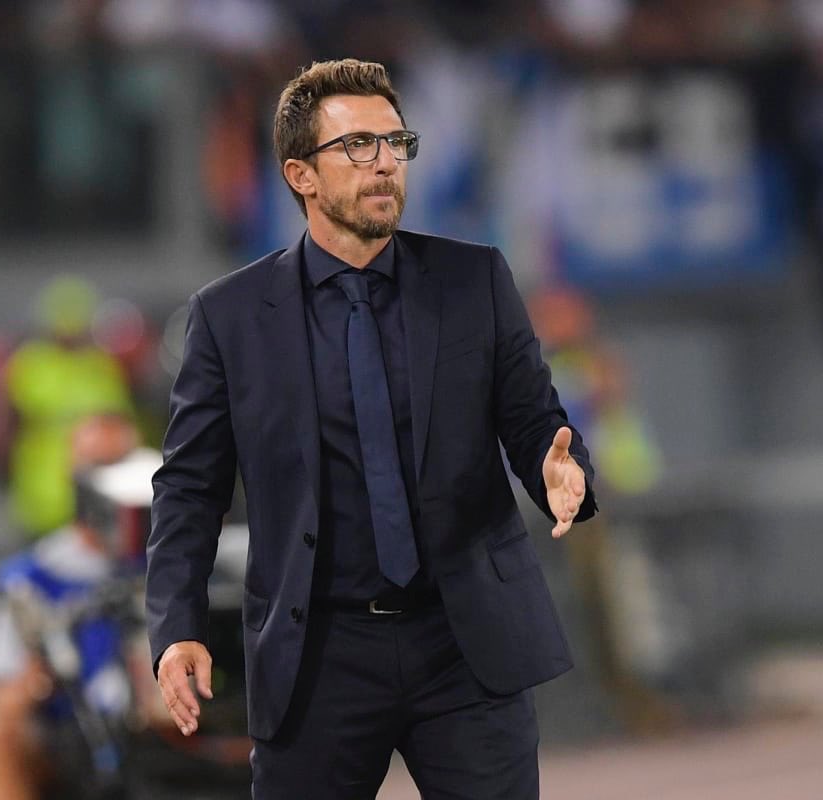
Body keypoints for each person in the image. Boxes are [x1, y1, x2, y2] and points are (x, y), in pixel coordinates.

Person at [147, 58, 597, 799]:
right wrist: (177, 627)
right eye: (357, 146)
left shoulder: (474, 281)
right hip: (317, 652)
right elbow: (189, 490)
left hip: (463, 643)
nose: (385, 163)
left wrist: (560, 471)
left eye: (396, 143)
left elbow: (533, 422)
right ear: (301, 175)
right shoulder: (230, 317)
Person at [0, 414, 140, 800]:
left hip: (160, 721)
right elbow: (4, 694)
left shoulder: (169, 565)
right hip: (71, 727)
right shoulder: (30, 577)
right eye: (96, 466)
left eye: (119, 465)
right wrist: (39, 679)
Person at [5, 275, 134, 539]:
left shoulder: (100, 365)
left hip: (91, 496)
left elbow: (119, 426)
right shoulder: (30, 363)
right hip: (40, 495)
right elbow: (12, 422)